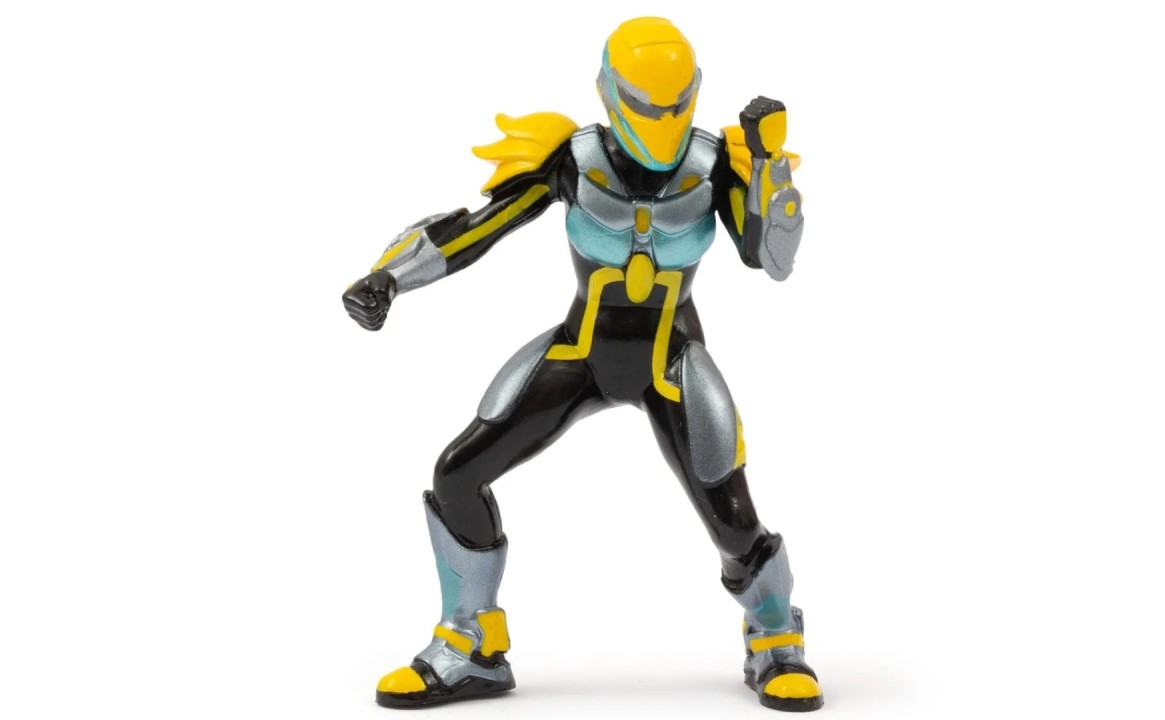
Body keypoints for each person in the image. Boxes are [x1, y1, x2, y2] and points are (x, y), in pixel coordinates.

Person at [342, 16, 820, 712]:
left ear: (695, 92)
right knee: (457, 475)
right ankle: (471, 644)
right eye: (645, 104)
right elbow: (480, 227)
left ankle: (776, 638)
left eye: (676, 103)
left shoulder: (716, 162)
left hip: (672, 361)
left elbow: (769, 258)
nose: (662, 121)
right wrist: (389, 278)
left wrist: (770, 175)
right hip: (582, 351)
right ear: (609, 91)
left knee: (733, 516)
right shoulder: (575, 157)